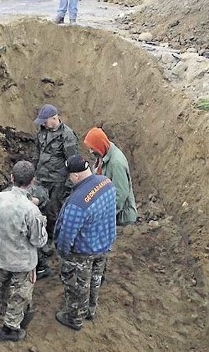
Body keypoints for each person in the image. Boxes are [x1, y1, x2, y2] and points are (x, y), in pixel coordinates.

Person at [0, 161, 48, 342]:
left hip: (0, 254)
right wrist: (43, 224)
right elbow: (38, 241)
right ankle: (10, 329)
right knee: (19, 294)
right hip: (22, 261)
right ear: (32, 183)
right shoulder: (32, 210)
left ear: (12, 178)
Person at [54, 155, 116, 331]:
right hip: (103, 244)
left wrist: (64, 253)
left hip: (83, 251)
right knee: (96, 279)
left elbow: (67, 235)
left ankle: (74, 317)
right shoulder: (106, 183)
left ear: (75, 176)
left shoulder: (77, 203)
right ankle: (90, 309)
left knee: (78, 284)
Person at [32, 104, 79, 278]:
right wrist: (33, 173)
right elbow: (37, 153)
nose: (43, 124)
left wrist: (69, 184)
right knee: (37, 209)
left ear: (54, 118)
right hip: (41, 178)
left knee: (53, 212)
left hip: (57, 181)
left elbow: (72, 161)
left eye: (45, 121)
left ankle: (51, 242)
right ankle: (40, 238)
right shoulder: (42, 131)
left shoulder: (67, 136)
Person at [83, 127, 137, 226]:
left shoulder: (117, 163)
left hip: (122, 218)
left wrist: (102, 217)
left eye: (92, 148)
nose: (90, 152)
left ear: (100, 146)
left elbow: (120, 194)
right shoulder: (103, 155)